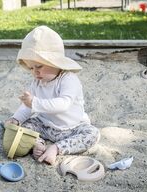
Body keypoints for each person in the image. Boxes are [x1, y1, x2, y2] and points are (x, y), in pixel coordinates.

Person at [5, 25, 100, 165]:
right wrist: (16, 118)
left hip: (72, 127)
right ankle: (39, 145)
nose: (34, 72)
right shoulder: (37, 82)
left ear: (55, 63)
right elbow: (27, 106)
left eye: (39, 67)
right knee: (25, 126)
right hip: (45, 126)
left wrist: (35, 103)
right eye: (31, 68)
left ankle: (56, 148)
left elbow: (63, 104)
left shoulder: (69, 79)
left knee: (92, 134)